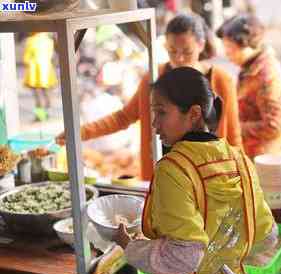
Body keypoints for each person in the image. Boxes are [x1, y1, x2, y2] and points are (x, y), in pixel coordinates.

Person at [114, 67, 277, 274]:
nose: (154, 124)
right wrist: (221, 255)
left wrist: (130, 247)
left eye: (161, 112)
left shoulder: (173, 169)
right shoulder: (239, 159)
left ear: (194, 114)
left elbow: (184, 256)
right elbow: (267, 237)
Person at [56, 13, 242, 181]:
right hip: (163, 172)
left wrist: (239, 176)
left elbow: (233, 136)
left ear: (201, 45)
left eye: (187, 51)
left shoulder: (222, 81)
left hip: (209, 175)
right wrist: (78, 133)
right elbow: (123, 117)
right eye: (172, 51)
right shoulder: (153, 77)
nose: (179, 58)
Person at [217, 14, 281, 159]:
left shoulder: (267, 75)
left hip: (266, 160)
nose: (227, 54)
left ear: (247, 45)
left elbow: (274, 126)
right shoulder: (249, 67)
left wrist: (236, 127)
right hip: (251, 154)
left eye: (230, 48)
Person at [23, 32, 58, 114]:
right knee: (47, 92)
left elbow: (26, 58)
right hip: (47, 69)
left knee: (37, 94)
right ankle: (48, 112)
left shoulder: (30, 40)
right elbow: (52, 55)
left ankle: (40, 115)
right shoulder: (49, 41)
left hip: (34, 71)